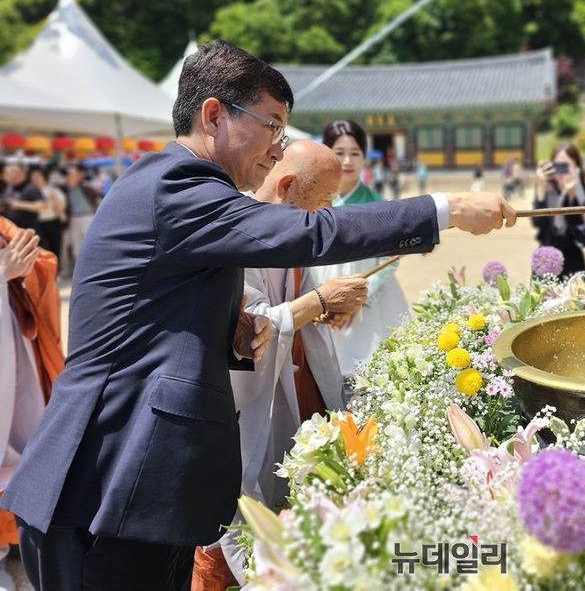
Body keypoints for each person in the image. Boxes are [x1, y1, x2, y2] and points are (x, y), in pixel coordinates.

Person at [0, 40, 515, 591]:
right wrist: (447, 210)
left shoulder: (181, 186)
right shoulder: (179, 184)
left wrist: (235, 330)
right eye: (272, 126)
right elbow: (311, 231)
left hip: (143, 487)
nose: (276, 149)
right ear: (214, 114)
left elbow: (152, 321)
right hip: (104, 483)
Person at [192, 140, 367, 589]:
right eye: (325, 198)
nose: (329, 210)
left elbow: (300, 302)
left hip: (293, 381)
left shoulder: (292, 229)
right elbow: (250, 327)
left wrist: (326, 310)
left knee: (283, 502)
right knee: (234, 519)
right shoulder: (235, 229)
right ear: (287, 186)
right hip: (240, 399)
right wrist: (320, 300)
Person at [304, 120, 409, 394]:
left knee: (367, 376)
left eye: (355, 153)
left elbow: (391, 257)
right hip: (318, 290)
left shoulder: (378, 204)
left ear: (364, 157)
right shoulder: (311, 202)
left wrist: (359, 298)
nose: (347, 161)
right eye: (339, 152)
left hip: (368, 295)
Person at [0, 218, 65, 591]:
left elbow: (38, 257)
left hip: (13, 342)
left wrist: (25, 266)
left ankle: (12, 542)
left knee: (23, 432)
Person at [532, 142, 585, 277]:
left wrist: (571, 197)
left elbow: (580, 232)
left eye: (566, 165)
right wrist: (541, 189)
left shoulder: (584, 191)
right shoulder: (546, 188)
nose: (561, 171)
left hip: (573, 260)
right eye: (558, 166)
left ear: (577, 166)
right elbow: (537, 224)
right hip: (545, 258)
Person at [62, 164, 98, 273]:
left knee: (89, 242)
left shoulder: (86, 186)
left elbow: (96, 200)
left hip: (88, 216)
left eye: (73, 174)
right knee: (76, 245)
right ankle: (80, 269)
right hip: (73, 217)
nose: (71, 177)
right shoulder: (64, 188)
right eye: (69, 175)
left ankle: (93, 267)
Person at [29, 168, 67, 261]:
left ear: (44, 178)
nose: (35, 179)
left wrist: (52, 198)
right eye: (33, 177)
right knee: (40, 249)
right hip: (35, 223)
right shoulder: (28, 191)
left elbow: (62, 207)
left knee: (54, 248)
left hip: (52, 222)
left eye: (37, 177)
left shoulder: (52, 190)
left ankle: (55, 271)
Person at [1, 163, 45, 231]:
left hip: (27, 230)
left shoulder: (30, 188)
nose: (11, 175)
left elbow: (42, 205)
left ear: (23, 173)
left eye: (15, 172)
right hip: (11, 230)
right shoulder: (8, 189)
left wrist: (19, 205)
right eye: (9, 173)